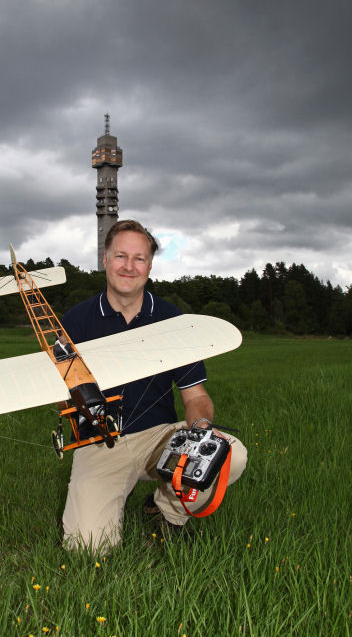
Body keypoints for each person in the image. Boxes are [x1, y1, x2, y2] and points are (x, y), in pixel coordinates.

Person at [59, 219, 247, 552]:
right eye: (120, 256)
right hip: (101, 444)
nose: (129, 266)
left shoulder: (173, 320)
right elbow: (62, 397)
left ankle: (165, 512)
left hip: (158, 438)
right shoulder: (74, 320)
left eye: (139, 258)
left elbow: (197, 396)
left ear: (150, 266)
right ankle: (113, 490)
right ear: (105, 260)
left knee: (229, 454)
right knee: (87, 547)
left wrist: (201, 429)